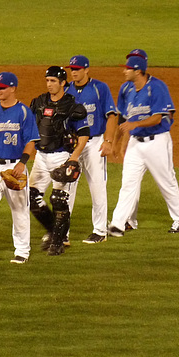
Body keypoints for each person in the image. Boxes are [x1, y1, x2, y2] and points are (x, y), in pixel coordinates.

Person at [108, 55, 179, 236]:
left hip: (157, 141)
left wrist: (135, 124)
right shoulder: (126, 88)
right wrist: (116, 142)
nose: (124, 71)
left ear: (138, 71)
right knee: (128, 183)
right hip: (136, 144)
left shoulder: (157, 87)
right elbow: (122, 118)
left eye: (128, 68)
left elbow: (158, 117)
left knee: (166, 181)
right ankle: (120, 224)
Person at [0, 72, 39, 265]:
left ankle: (22, 250)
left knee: (19, 209)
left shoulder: (23, 112)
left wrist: (22, 163)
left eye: (2, 87)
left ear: (12, 88)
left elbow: (31, 141)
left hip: (15, 167)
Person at [29, 66, 88, 256]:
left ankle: (58, 241)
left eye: (53, 81)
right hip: (40, 156)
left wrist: (73, 158)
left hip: (61, 156)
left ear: (63, 83)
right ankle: (54, 231)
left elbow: (84, 134)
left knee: (59, 199)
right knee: (31, 197)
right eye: (47, 80)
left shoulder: (72, 105)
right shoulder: (39, 102)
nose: (49, 84)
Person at [65, 55, 118, 244]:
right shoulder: (66, 89)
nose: (74, 72)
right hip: (73, 146)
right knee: (67, 189)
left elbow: (112, 115)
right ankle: (63, 233)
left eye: (78, 69)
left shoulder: (100, 88)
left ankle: (100, 231)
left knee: (97, 186)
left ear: (87, 70)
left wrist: (109, 141)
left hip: (95, 143)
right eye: (72, 69)